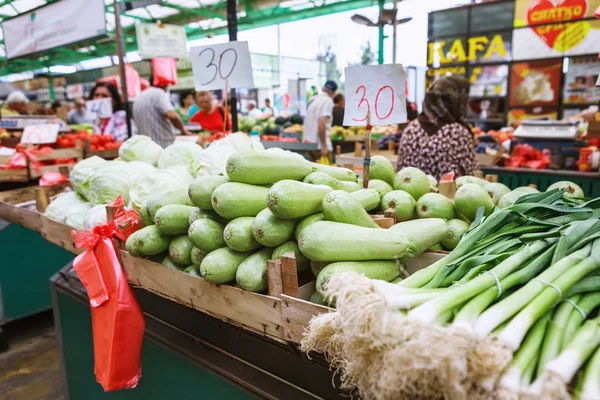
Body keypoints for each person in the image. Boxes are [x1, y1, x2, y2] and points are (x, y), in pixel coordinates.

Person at [397, 76, 477, 180]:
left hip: (412, 195)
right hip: (449, 196)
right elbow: (472, 177)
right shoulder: (458, 133)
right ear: (456, 101)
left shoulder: (411, 129)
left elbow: (400, 171)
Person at [133, 78, 191, 147]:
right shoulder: (158, 93)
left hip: (146, 146)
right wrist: (183, 130)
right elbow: (173, 116)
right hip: (162, 145)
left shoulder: (139, 96)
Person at [303, 80, 337, 160]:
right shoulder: (328, 101)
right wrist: (324, 146)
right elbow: (322, 122)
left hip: (309, 144)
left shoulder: (312, 100)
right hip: (319, 146)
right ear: (333, 93)